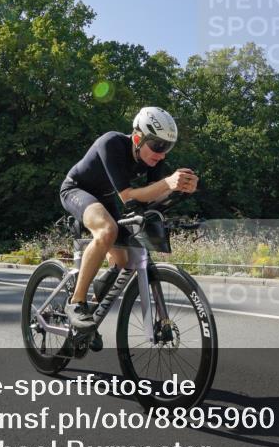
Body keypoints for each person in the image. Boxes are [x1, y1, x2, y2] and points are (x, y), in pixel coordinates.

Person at [59, 106, 198, 329]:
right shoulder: (111, 143)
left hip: (104, 198)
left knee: (123, 261)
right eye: (158, 145)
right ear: (137, 137)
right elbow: (128, 197)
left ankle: (91, 314)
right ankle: (76, 302)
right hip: (76, 190)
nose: (162, 154)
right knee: (107, 230)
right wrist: (167, 183)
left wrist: (179, 188)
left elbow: (149, 197)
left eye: (167, 147)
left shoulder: (154, 158)